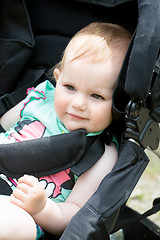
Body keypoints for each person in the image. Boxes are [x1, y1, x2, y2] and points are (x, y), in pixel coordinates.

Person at [0, 22, 131, 240]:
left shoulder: (102, 153)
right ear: (58, 78)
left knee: (11, 222)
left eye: (96, 96)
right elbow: (3, 123)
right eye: (70, 88)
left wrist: (42, 208)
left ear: (119, 103)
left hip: (23, 212)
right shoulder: (41, 96)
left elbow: (75, 215)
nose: (78, 103)